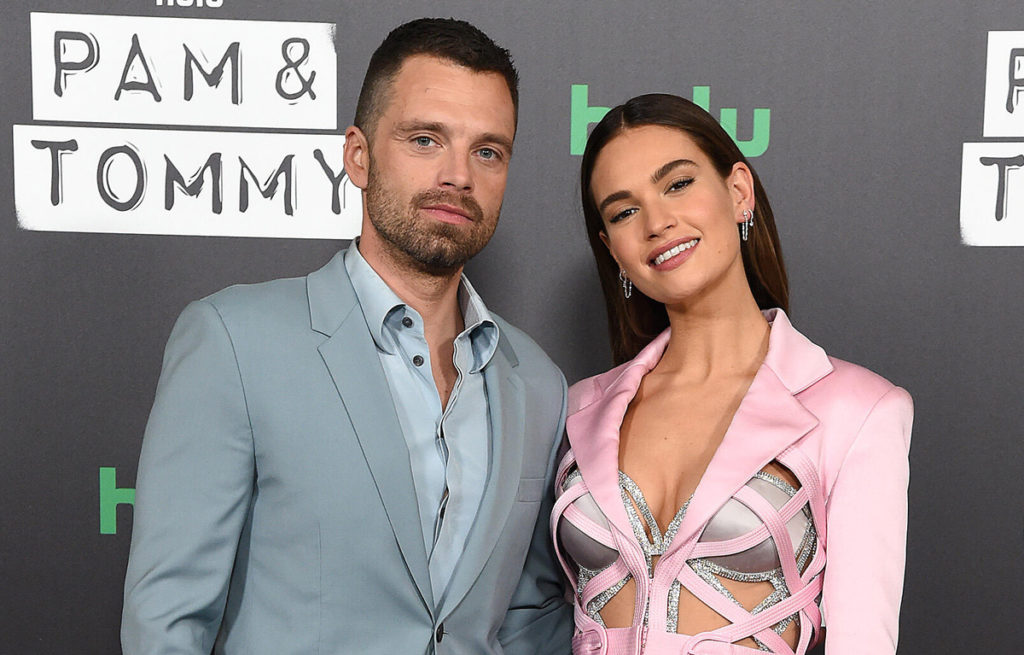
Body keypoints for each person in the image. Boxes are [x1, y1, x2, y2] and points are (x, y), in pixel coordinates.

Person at [121, 18, 572, 655]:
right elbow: (166, 623)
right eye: (424, 139)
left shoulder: (538, 382)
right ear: (357, 155)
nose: (459, 175)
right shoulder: (233, 342)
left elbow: (530, 617)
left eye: (488, 151)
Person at [551, 94, 913, 654]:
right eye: (624, 211)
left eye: (677, 184)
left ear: (738, 191)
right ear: (612, 250)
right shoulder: (577, 408)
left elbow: (863, 641)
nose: (657, 222)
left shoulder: (858, 409)